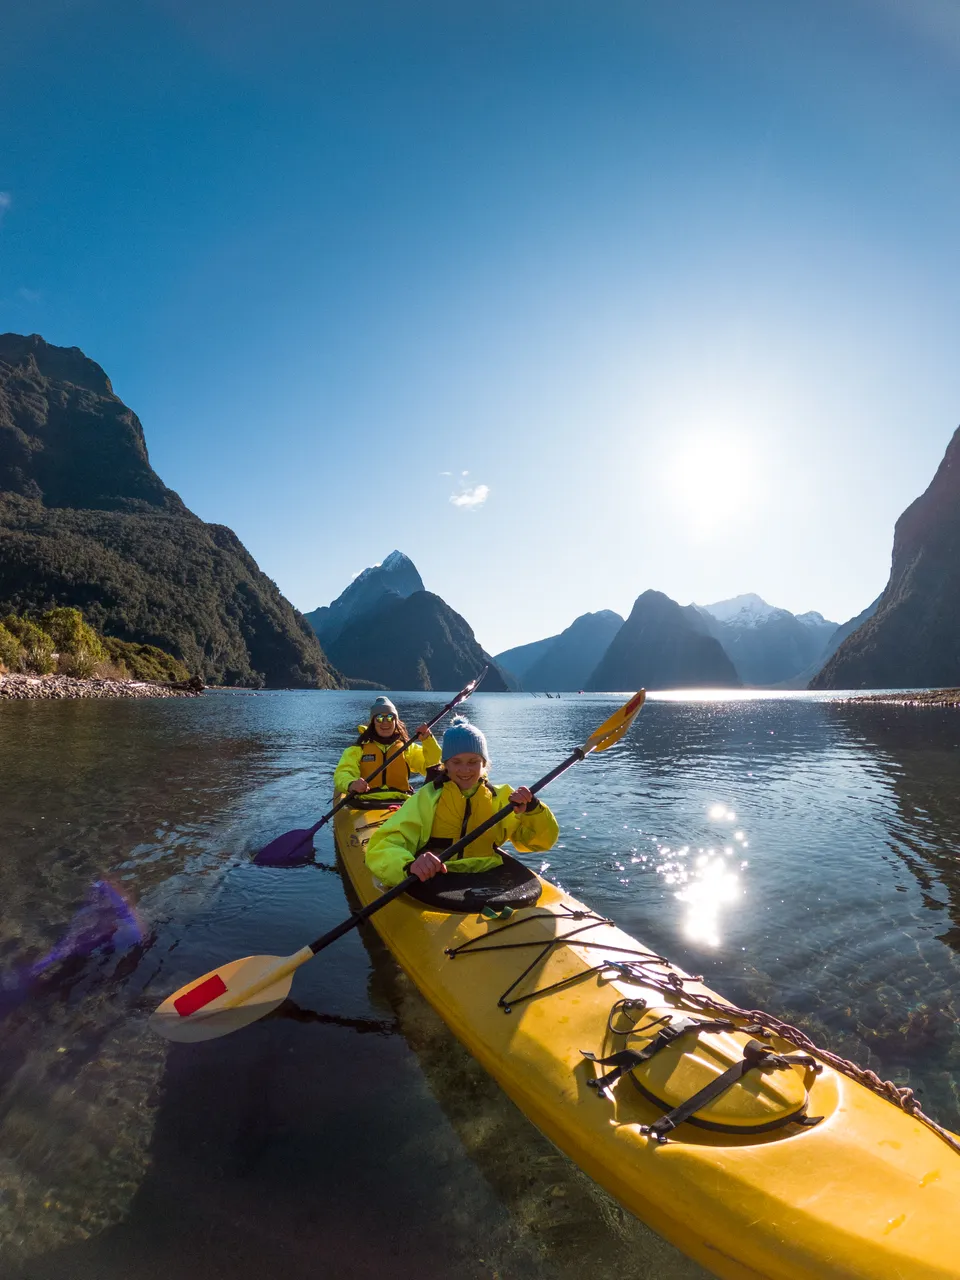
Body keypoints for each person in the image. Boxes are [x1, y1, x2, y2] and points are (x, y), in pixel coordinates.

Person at [365, 716, 559, 887]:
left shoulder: (502, 798)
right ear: (445, 765)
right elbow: (383, 845)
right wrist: (407, 866)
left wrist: (533, 810)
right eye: (456, 762)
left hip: (489, 877)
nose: (465, 770)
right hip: (438, 876)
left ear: (484, 764)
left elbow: (539, 843)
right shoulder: (428, 798)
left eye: (473, 762)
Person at [333, 696, 441, 801]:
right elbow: (343, 772)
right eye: (379, 718)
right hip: (365, 800)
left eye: (390, 717)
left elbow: (433, 766)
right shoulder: (358, 749)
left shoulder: (407, 748)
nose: (385, 722)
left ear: (395, 722)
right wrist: (351, 783)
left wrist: (428, 741)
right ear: (373, 722)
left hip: (401, 801)